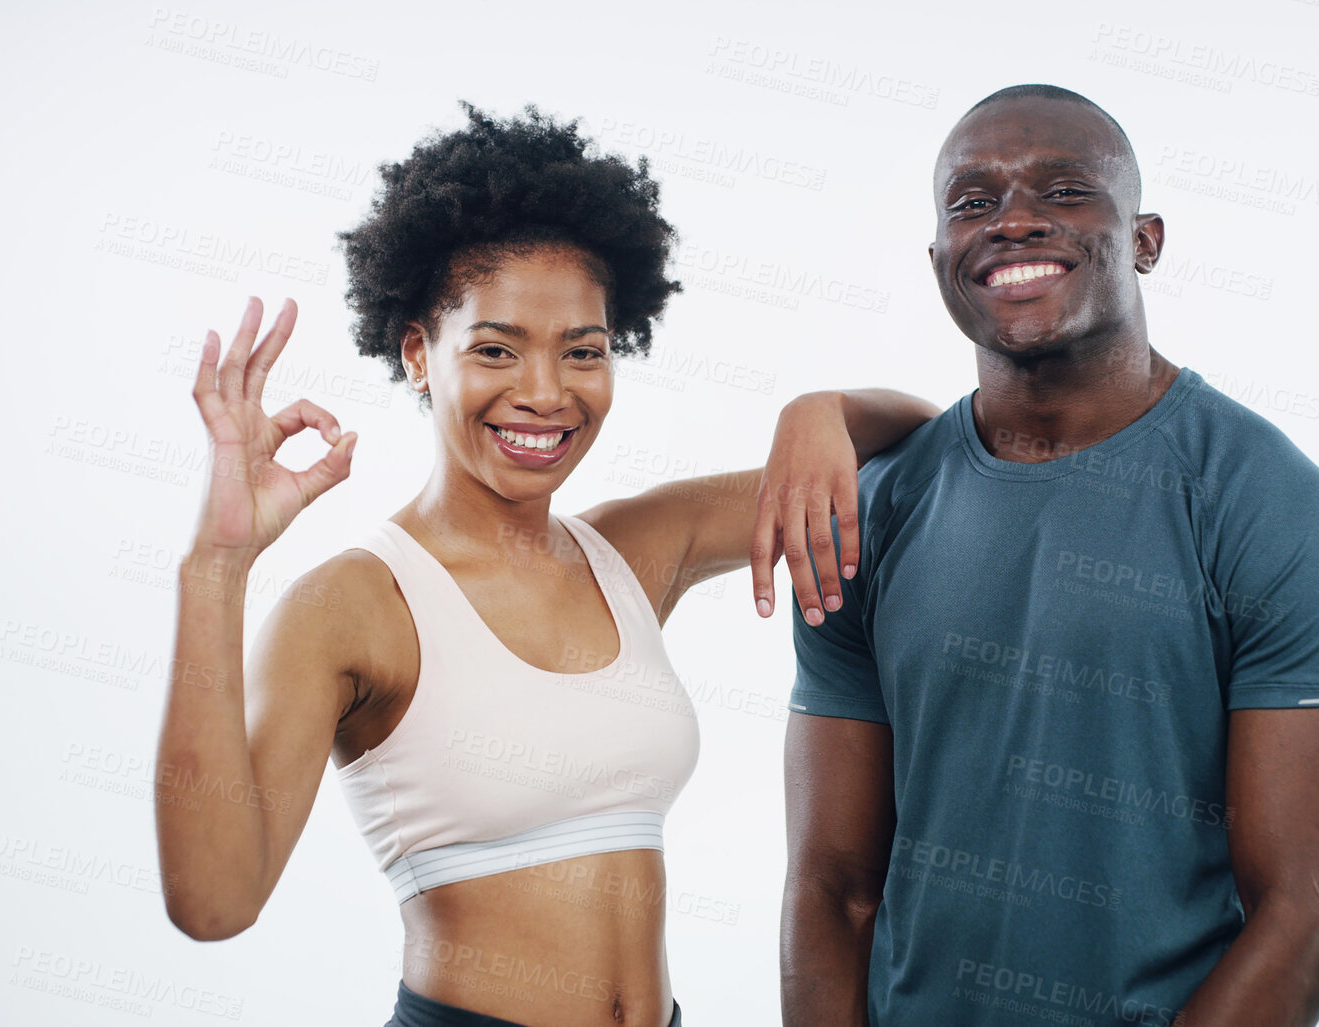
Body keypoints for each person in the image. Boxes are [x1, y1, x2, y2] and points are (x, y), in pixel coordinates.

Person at [151, 103, 939, 1027]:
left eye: (582, 353)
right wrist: (214, 566)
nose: (543, 393)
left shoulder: (634, 549)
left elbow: (920, 445)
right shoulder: (354, 604)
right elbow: (214, 904)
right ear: (418, 353)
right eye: (495, 349)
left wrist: (820, 409)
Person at [777, 84, 1319, 1027]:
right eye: (972, 202)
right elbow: (832, 885)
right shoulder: (871, 511)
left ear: (1145, 240)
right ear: (938, 259)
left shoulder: (1271, 504)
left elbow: (1307, 914)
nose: (1012, 220)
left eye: (1063, 191)